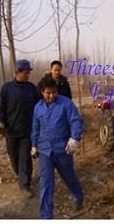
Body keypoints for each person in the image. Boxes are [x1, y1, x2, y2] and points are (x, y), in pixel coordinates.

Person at [31, 77, 84, 219]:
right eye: (48, 93)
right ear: (42, 92)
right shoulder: (38, 108)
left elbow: (76, 121)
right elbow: (36, 128)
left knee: (69, 178)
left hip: (63, 150)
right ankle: (46, 217)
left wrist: (74, 138)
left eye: (54, 92)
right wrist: (34, 145)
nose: (51, 96)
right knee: (46, 185)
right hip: (45, 151)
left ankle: (78, 196)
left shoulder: (65, 103)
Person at [0, 59, 39, 198]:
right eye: (26, 73)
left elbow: (39, 107)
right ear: (18, 72)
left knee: (25, 158)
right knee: (14, 157)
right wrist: (1, 121)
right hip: (11, 131)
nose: (28, 75)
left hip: (27, 131)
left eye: (29, 73)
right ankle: (21, 176)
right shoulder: (7, 88)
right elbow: (0, 106)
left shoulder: (31, 88)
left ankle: (25, 184)